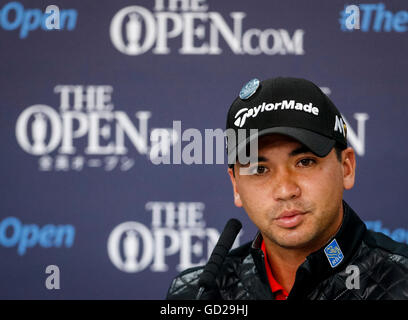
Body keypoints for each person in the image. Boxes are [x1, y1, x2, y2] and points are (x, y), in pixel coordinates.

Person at [166, 77, 408, 300]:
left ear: (346, 168)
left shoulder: (401, 279)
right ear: (236, 186)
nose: (285, 190)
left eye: (305, 162)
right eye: (260, 169)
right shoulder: (195, 293)